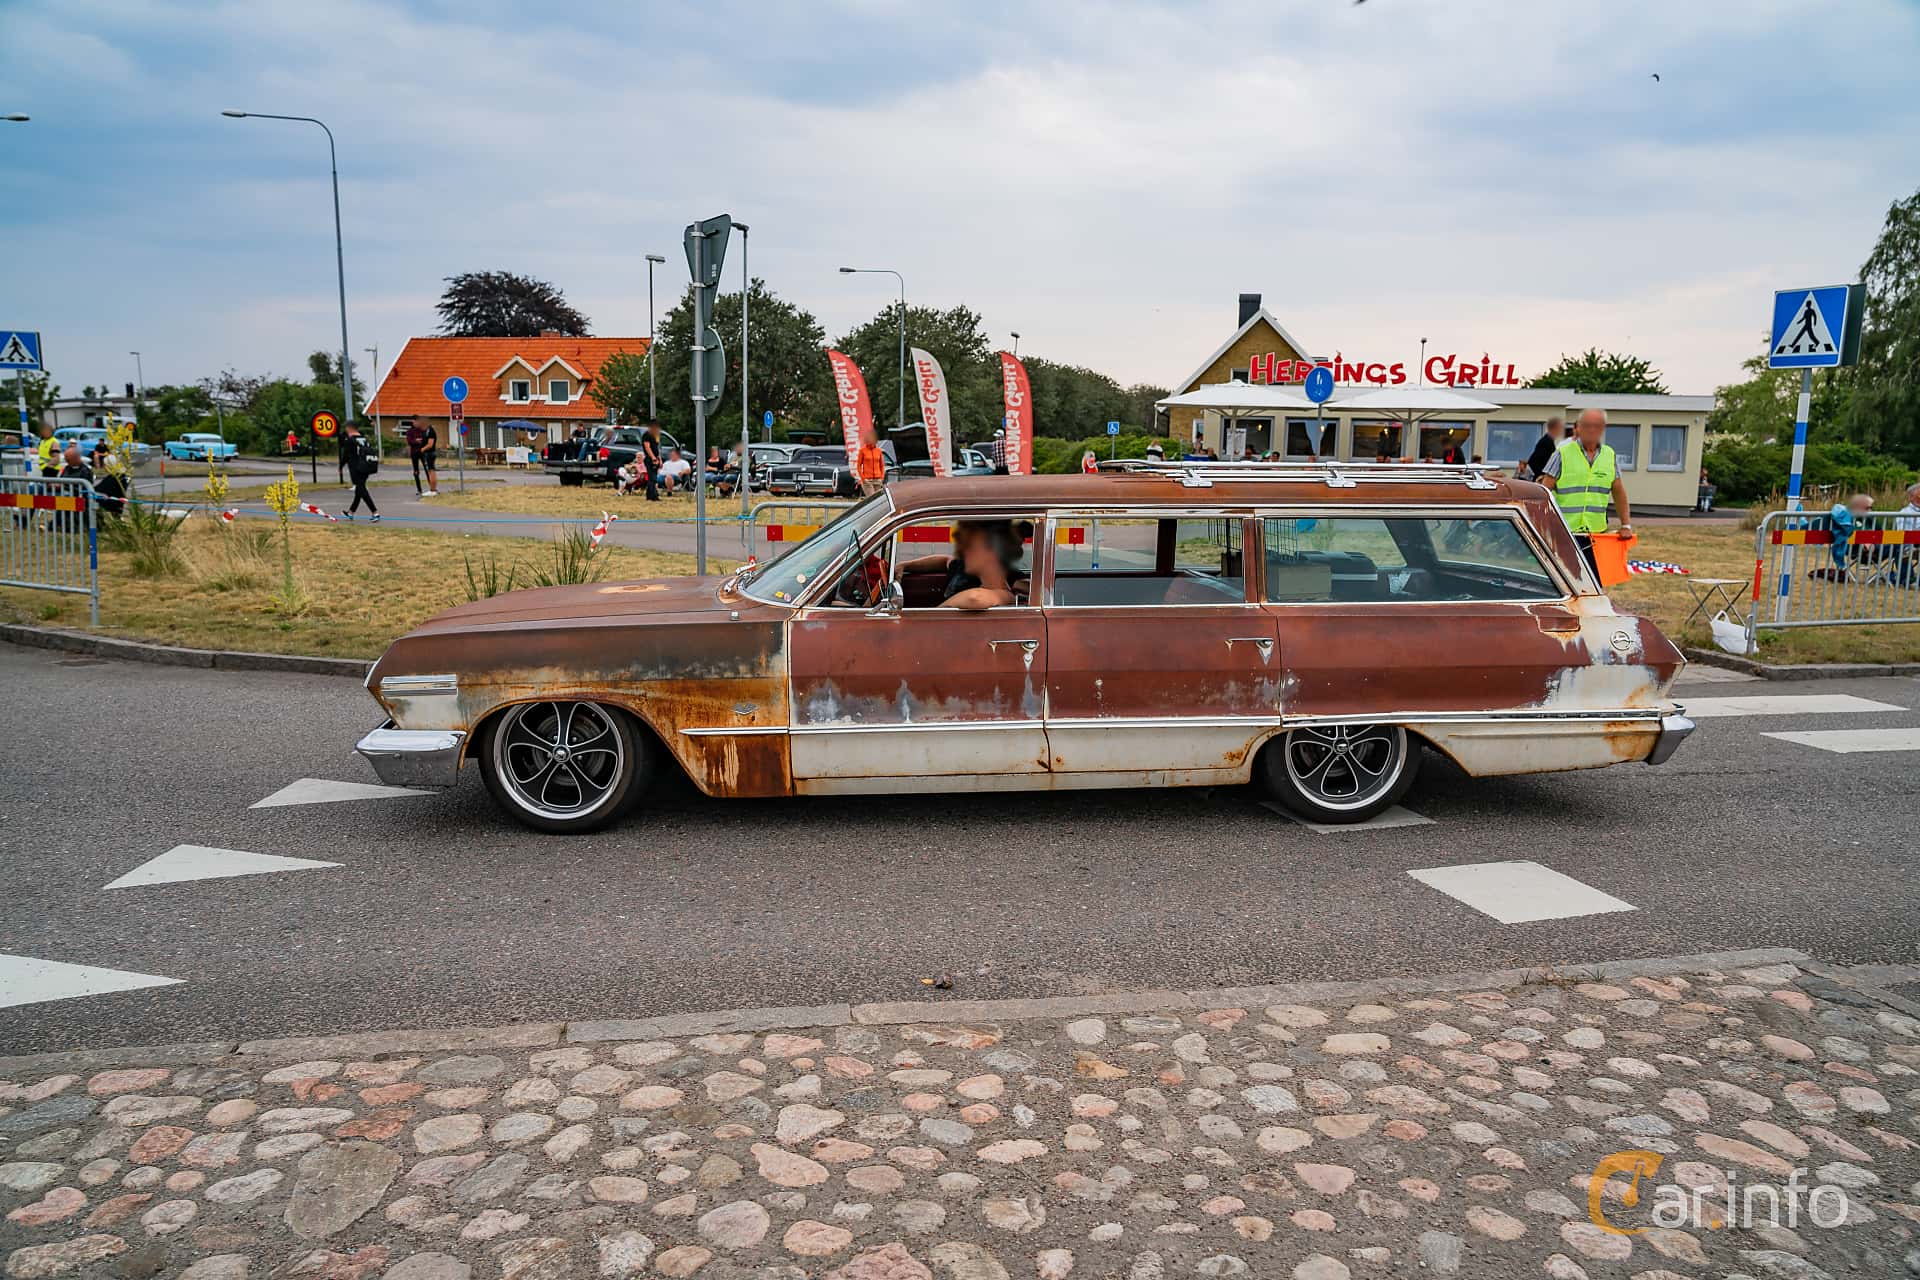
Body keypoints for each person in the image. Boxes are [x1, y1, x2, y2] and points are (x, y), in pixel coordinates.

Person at [1538, 408, 1631, 580]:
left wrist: (1626, 525)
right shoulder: (1562, 453)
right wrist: (1542, 525)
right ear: (1578, 427)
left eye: (1596, 426)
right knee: (1566, 582)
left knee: (1594, 583)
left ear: (1603, 428)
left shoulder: (1609, 455)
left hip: (1596, 536)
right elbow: (1544, 492)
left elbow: (1618, 492)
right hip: (1565, 534)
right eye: (1587, 425)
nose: (1591, 430)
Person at [897, 520, 1028, 610]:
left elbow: (975, 598)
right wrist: (904, 566)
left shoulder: (1005, 591)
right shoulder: (962, 565)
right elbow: (944, 560)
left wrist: (936, 613)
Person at [340, 422, 380, 522]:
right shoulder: (364, 439)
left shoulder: (350, 440)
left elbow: (346, 455)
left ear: (349, 428)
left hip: (357, 467)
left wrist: (341, 466)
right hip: (367, 465)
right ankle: (351, 512)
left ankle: (375, 512)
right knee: (359, 489)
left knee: (361, 489)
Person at [1521, 415, 1565, 481]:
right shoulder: (1546, 442)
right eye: (1560, 428)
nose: (1561, 431)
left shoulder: (1548, 441)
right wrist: (1542, 476)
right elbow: (1536, 462)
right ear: (1555, 428)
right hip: (1538, 479)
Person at [89, 443, 127, 517]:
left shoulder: (113, 478)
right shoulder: (121, 476)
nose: (104, 467)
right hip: (117, 503)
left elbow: (99, 489)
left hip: (110, 503)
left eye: (105, 465)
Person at [854, 427, 887, 497]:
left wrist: (882, 477)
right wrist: (863, 478)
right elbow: (858, 466)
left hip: (878, 480)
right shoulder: (862, 451)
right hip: (867, 480)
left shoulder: (879, 451)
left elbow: (882, 465)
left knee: (877, 499)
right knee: (872, 498)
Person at [641, 421, 665, 501]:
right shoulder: (647, 435)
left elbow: (656, 449)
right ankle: (653, 496)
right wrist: (653, 458)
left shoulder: (655, 436)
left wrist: (659, 459)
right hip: (650, 459)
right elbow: (647, 447)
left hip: (655, 458)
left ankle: (649, 495)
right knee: (652, 478)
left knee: (653, 478)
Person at [404, 420, 428, 495]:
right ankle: (419, 489)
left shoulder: (422, 430)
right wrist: (415, 441)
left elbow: (426, 440)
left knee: (427, 469)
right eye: (414, 422)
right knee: (416, 471)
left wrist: (421, 440)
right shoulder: (409, 431)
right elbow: (409, 441)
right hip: (414, 453)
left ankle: (432, 488)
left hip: (423, 452)